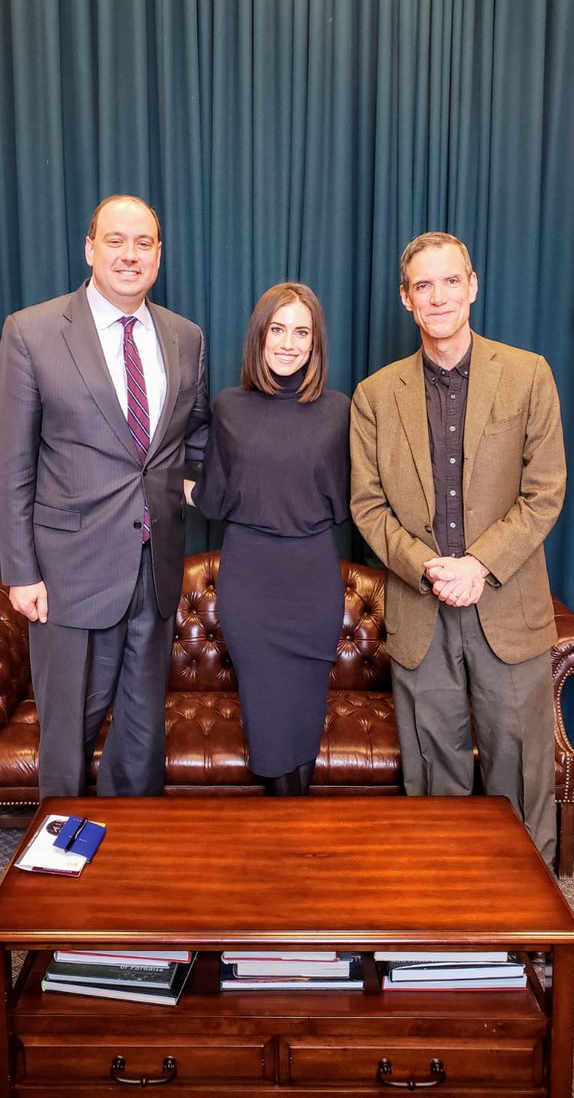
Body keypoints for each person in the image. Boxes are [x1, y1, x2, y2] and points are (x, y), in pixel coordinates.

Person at [350, 232, 566, 864]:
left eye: (451, 281)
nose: (438, 296)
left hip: (507, 606)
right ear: (405, 299)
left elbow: (545, 491)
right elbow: (368, 506)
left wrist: (479, 565)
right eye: (424, 285)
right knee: (432, 779)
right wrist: (428, 567)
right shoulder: (374, 395)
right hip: (421, 612)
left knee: (520, 777)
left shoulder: (528, 374)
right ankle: (441, 930)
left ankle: (527, 932)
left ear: (473, 287)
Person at [0, 194, 210, 798]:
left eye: (143, 244)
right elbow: (11, 465)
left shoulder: (185, 338)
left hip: (156, 565)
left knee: (141, 725)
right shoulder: (32, 332)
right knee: (66, 727)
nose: (129, 255)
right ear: (90, 249)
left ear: (159, 255)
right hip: (67, 572)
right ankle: (56, 848)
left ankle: (130, 854)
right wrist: (21, 573)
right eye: (115, 241)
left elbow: (194, 436)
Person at [191, 283, 350, 795]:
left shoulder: (340, 410)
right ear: (259, 337)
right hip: (250, 586)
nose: (289, 342)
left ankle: (293, 835)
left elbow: (353, 502)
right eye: (277, 329)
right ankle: (287, 840)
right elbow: (214, 499)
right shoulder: (230, 407)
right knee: (268, 726)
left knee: (303, 724)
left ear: (316, 342)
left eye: (301, 331)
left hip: (313, 584)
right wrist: (153, 478)